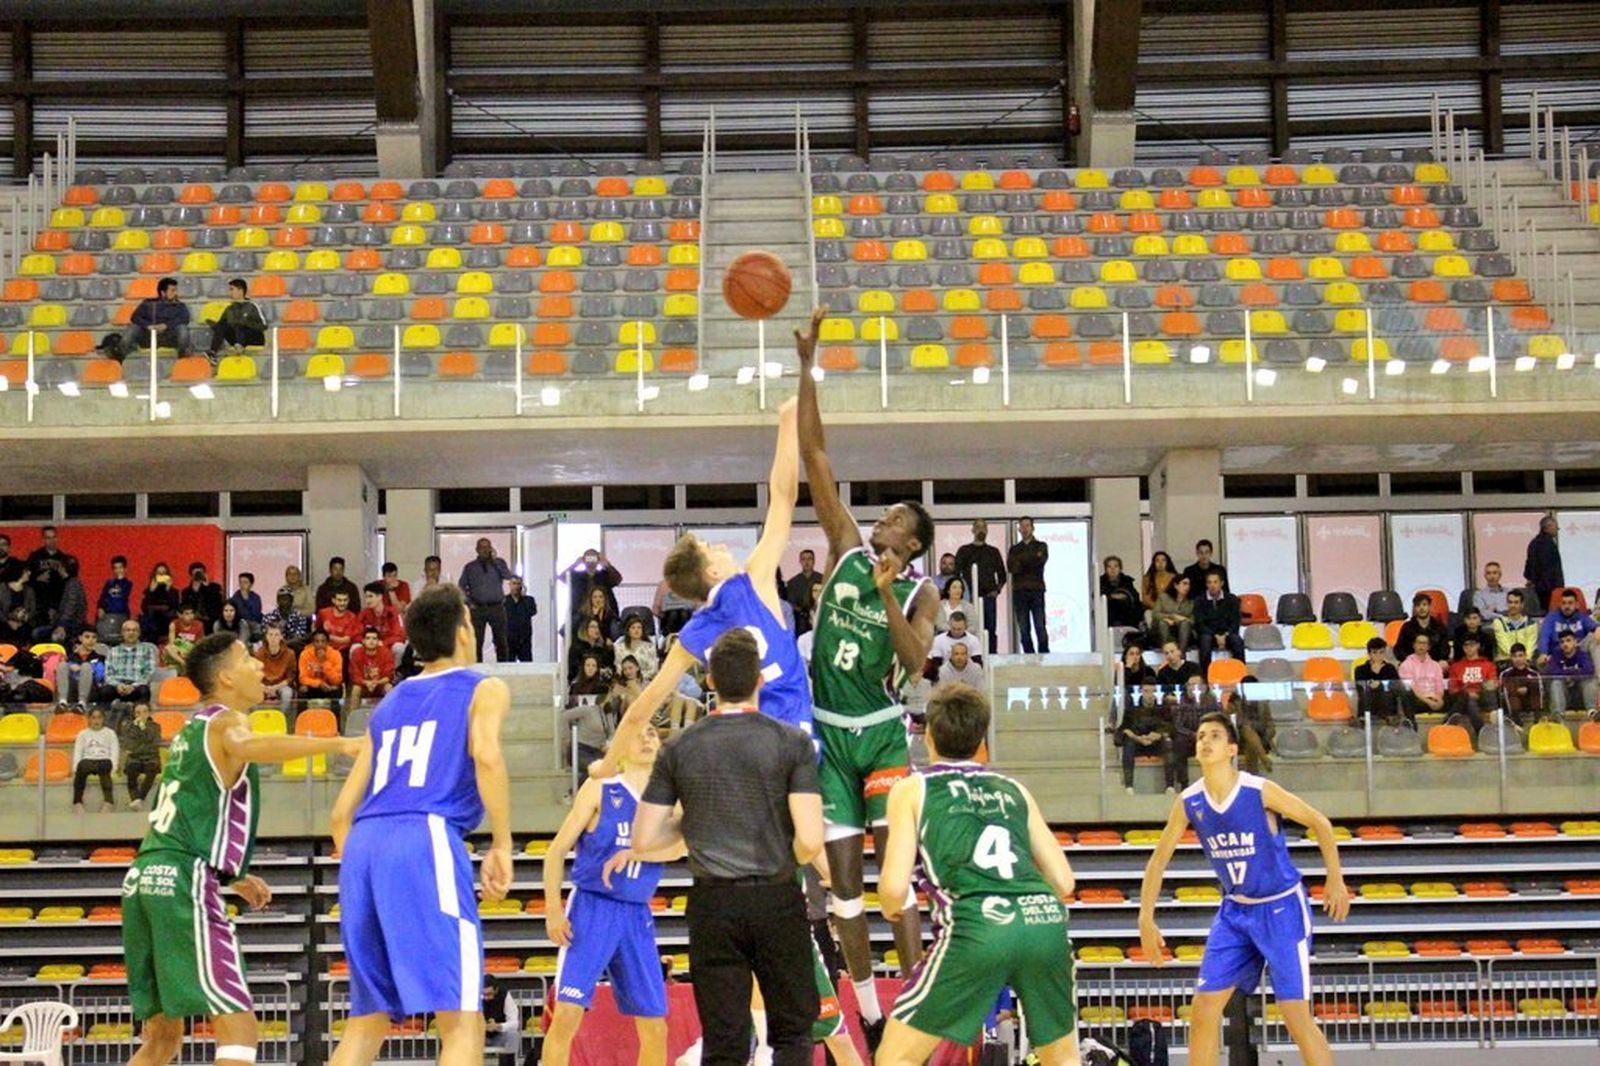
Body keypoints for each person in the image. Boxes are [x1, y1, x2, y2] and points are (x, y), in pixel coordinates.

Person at [123, 631, 358, 1066]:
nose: (258, 664)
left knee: (162, 1039)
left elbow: (186, 810)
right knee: (239, 1031)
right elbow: (247, 748)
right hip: (183, 879)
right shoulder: (226, 721)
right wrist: (339, 742)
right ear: (227, 678)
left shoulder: (191, 729)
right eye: (247, 658)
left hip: (146, 874)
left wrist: (232, 872)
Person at [796, 309, 936, 1001]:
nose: (884, 518)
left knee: (893, 883)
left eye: (898, 520)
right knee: (844, 892)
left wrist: (886, 596)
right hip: (828, 733)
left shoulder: (920, 592)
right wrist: (807, 368)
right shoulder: (847, 548)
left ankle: (915, 1001)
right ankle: (872, 1012)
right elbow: (815, 456)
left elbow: (914, 664)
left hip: (880, 736)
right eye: (886, 514)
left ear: (912, 545)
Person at [326, 585, 514, 1066]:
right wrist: (501, 843)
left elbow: (339, 815)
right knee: (462, 1019)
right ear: (464, 631)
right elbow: (486, 755)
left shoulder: (389, 702)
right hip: (424, 834)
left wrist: (373, 864)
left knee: (367, 1021)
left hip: (364, 843)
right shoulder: (484, 687)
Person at [619, 629, 825, 1066]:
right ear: (760, 679)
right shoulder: (793, 742)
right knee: (792, 1035)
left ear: (709, 680)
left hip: (713, 905)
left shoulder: (678, 747)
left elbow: (644, 840)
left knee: (724, 1044)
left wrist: (690, 821)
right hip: (777, 897)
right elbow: (810, 840)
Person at [875, 682, 1081, 1066]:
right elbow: (1064, 881)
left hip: (976, 926)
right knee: (1063, 1059)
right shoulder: (1013, 789)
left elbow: (893, 887)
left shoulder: (912, 789)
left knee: (895, 1057)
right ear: (981, 739)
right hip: (1043, 920)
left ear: (928, 735)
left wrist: (890, 906)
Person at [1138, 714, 1350, 1066]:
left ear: (1232, 749)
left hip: (1280, 908)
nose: (1205, 741)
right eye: (1201, 736)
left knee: (1295, 1015)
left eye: (1215, 736)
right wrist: (1145, 918)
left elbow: (1320, 823)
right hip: (1235, 911)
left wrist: (1335, 879)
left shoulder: (1257, 790)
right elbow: (1158, 861)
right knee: (1204, 1008)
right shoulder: (1189, 801)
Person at [541, 721, 683, 1066]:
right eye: (638, 733)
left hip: (637, 913)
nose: (647, 738)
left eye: (652, 733)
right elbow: (555, 852)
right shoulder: (600, 788)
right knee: (567, 1016)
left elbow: (681, 848)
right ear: (617, 747)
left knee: (655, 1028)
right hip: (592, 909)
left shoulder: (670, 799)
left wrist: (636, 853)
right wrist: (553, 911)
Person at [953, 519, 1006, 654]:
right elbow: (956, 574)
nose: (981, 530)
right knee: (969, 628)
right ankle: (970, 657)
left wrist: (997, 590)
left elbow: (1002, 575)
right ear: (973, 530)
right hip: (969, 599)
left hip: (988, 598)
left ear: (987, 530)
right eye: (978, 527)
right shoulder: (964, 551)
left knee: (990, 629)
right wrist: (961, 594)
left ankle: (992, 658)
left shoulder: (993, 552)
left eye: (983, 527)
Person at [459, 538, 513, 662]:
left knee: (501, 640)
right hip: (478, 608)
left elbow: (508, 576)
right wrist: (468, 602)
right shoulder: (470, 567)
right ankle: (477, 667)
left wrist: (495, 561)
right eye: (482, 547)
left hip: (497, 607)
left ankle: (503, 668)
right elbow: (461, 586)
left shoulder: (499, 563)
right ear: (477, 549)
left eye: (487, 547)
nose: (485, 550)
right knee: (476, 641)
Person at [118, 276, 193, 360]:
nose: (175, 293)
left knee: (183, 329)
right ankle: (125, 358)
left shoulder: (180, 306)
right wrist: (148, 326)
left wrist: (166, 325)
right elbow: (135, 317)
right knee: (133, 328)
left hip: (168, 337)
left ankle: (182, 359)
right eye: (172, 291)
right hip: (148, 336)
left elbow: (185, 318)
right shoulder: (148, 303)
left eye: (176, 290)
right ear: (163, 293)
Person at [1117, 674, 1168, 794]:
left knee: (1169, 743)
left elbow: (1170, 726)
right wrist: (1137, 737)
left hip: (1157, 743)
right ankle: (1129, 786)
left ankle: (1170, 786)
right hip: (1138, 744)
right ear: (1141, 692)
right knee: (1128, 744)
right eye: (1146, 691)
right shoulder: (1132, 708)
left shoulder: (1163, 707)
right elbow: (1124, 728)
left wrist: (1159, 734)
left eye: (1153, 691)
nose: (1150, 695)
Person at [1006, 517, 1049, 654]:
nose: (1025, 529)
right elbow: (1012, 567)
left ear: (1032, 528)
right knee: (1023, 627)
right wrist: (1032, 558)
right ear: (1019, 529)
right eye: (1022, 526)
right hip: (1020, 591)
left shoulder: (1041, 546)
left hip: (1037, 590)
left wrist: (1022, 561)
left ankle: (1044, 655)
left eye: (1027, 526)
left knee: (1040, 625)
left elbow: (1039, 562)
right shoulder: (1014, 549)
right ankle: (1029, 655)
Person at [96, 619, 160, 708]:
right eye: (128, 630)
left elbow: (149, 673)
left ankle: (140, 716)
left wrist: (133, 686)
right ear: (122, 633)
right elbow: (108, 674)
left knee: (144, 691)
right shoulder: (113, 651)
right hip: (117, 686)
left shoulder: (147, 650)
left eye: (134, 630)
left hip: (137, 686)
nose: (131, 633)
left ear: (139, 633)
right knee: (104, 691)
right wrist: (118, 685)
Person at [205, 277, 267, 364]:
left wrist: (246, 324)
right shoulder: (229, 309)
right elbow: (222, 327)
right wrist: (214, 325)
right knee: (222, 326)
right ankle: (213, 353)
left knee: (240, 325)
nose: (229, 293)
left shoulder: (252, 306)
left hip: (254, 338)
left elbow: (263, 325)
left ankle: (239, 345)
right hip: (236, 337)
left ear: (240, 290)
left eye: (232, 289)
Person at [1447, 634, 1499, 736]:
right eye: (1465, 645)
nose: (1468, 648)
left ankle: (1493, 714)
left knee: (1489, 687)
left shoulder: (1488, 665)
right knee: (1470, 702)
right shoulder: (1455, 666)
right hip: (1465, 698)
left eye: (1472, 645)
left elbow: (1493, 683)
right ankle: (1481, 732)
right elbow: (1453, 689)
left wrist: (1478, 691)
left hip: (1483, 696)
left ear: (1478, 645)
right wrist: (1468, 693)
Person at [71, 707, 120, 814]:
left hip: (103, 761)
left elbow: (114, 751)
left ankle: (108, 801)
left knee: (105, 767)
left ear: (103, 719)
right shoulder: (82, 734)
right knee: (82, 767)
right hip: (88, 761)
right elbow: (78, 751)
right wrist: (76, 768)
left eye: (99, 717)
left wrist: (114, 767)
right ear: (89, 719)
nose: (96, 721)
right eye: (93, 718)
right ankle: (77, 802)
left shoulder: (110, 733)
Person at [1193, 571, 1244, 672]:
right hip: (1208, 634)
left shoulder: (1232, 599)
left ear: (1222, 583)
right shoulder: (1199, 600)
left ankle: (1240, 672)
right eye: (1209, 582)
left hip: (1228, 633)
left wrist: (1225, 634)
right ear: (1206, 584)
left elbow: (1235, 621)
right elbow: (1199, 623)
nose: (1212, 585)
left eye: (1215, 582)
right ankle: (1206, 675)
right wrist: (1215, 636)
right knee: (1205, 640)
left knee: (1237, 641)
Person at [564, 550, 623, 632]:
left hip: (604, 611)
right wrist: (575, 565)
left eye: (593, 558)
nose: (591, 561)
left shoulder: (604, 574)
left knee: (612, 627)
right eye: (588, 558)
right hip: (582, 611)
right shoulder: (577, 576)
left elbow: (617, 579)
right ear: (584, 559)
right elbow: (563, 578)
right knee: (571, 626)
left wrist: (607, 564)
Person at [119, 701, 163, 811]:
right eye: (138, 712)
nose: (141, 715)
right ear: (134, 714)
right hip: (135, 758)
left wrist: (143, 728)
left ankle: (139, 798)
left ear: (149, 713)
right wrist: (142, 745)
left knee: (152, 769)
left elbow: (154, 745)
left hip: (151, 758)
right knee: (131, 769)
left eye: (144, 712)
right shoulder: (128, 727)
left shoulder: (156, 727)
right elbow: (129, 746)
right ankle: (135, 798)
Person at [1535, 588, 1596, 664]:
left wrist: (1597, 629)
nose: (1567, 606)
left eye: (1570, 603)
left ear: (1577, 605)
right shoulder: (1551, 617)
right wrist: (1543, 653)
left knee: (1594, 638)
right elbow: (1544, 637)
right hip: (1557, 653)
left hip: (1578, 652)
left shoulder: (1582, 617)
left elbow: (1595, 627)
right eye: (1564, 603)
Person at [1543, 629, 1595, 715]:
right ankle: (1558, 713)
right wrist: (1575, 672)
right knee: (1556, 682)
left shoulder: (1582, 654)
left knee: (1589, 682)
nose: (1565, 644)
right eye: (1562, 642)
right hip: (1564, 695)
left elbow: (1589, 670)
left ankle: (1592, 711)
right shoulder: (1556, 655)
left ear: (1575, 642)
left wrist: (1567, 673)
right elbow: (1552, 671)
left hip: (1580, 695)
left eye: (1568, 640)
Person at [1397, 633, 1446, 720]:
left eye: (1424, 643)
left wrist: (1439, 699)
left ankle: (1448, 721)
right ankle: (1411, 724)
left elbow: (1439, 686)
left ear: (1428, 647)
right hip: (1418, 700)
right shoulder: (1406, 664)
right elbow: (1412, 688)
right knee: (1405, 691)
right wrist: (1428, 701)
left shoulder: (1436, 665)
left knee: (1461, 695)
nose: (1421, 646)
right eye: (1419, 643)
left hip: (1435, 699)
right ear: (1414, 645)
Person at [1353, 638, 1401, 724]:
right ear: (1369, 654)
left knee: (1387, 694)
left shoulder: (1390, 668)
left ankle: (1389, 718)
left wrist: (1379, 682)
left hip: (1387, 705)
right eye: (1374, 652)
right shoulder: (1360, 669)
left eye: (1381, 652)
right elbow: (1360, 688)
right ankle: (1363, 720)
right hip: (1368, 704)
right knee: (1367, 694)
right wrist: (1374, 673)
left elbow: (1396, 687)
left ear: (1385, 653)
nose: (1378, 656)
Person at [54, 628, 104, 710]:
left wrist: (82, 669)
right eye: (87, 637)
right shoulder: (71, 657)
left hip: (91, 688)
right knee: (62, 665)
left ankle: (82, 704)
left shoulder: (100, 658)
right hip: (72, 689)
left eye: (94, 637)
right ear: (80, 638)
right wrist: (70, 666)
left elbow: (99, 676)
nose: (91, 640)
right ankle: (62, 702)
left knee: (86, 666)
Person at [298, 629, 345, 715]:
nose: (320, 644)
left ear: (328, 643)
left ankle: (335, 721)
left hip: (329, 686)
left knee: (337, 690)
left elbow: (337, 680)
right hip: (313, 686)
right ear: (312, 643)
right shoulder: (305, 654)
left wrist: (324, 662)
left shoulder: (336, 655)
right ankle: (301, 720)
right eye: (317, 641)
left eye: (323, 641)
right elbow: (302, 678)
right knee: (302, 690)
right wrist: (318, 683)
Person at [1524, 515, 1563, 614]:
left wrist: (1532, 580)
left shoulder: (1534, 543)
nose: (1558, 529)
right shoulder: (1548, 544)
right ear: (1548, 527)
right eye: (1555, 527)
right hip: (1549, 590)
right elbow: (1552, 570)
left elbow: (1528, 568)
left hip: (1537, 590)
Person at [358, 581, 407, 661]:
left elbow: (400, 635)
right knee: (355, 647)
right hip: (369, 645)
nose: (367, 600)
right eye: (366, 597)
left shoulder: (393, 612)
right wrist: (366, 641)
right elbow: (356, 633)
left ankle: (396, 668)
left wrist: (384, 643)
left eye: (370, 596)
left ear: (380, 597)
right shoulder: (364, 613)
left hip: (388, 645)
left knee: (399, 648)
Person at [255, 623, 298, 714]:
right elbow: (255, 676)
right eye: (270, 635)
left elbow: (291, 677)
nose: (273, 638)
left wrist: (275, 687)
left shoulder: (290, 653)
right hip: (264, 685)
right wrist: (264, 688)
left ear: (281, 637)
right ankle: (258, 718)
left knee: (287, 693)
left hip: (281, 685)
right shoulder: (259, 653)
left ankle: (281, 717)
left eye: (276, 635)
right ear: (266, 637)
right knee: (252, 693)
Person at [348, 628, 396, 708]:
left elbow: (388, 676)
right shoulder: (356, 653)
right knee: (356, 689)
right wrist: (367, 683)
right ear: (363, 641)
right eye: (368, 638)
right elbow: (355, 676)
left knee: (389, 687)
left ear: (378, 641)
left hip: (380, 684)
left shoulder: (386, 653)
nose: (371, 641)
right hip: (363, 685)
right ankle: (353, 713)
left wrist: (376, 683)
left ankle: (391, 714)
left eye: (374, 638)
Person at [1395, 594, 1449, 662]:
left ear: (1429, 606)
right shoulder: (1407, 627)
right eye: (1418, 605)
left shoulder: (1439, 626)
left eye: (1424, 604)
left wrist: (1442, 659)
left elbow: (1445, 647)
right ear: (1415, 608)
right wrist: (1408, 661)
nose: (1421, 608)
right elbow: (1398, 649)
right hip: (1413, 664)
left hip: (1435, 663)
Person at [1499, 643, 1542, 727]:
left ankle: (1537, 719)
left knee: (1534, 685)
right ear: (1511, 658)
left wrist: (1528, 689)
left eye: (1520, 655)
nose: (1518, 659)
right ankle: (1517, 722)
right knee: (1510, 692)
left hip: (1530, 701)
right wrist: (1516, 690)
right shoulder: (1505, 674)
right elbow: (1503, 691)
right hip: (1514, 703)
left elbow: (1540, 690)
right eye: (1515, 656)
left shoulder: (1534, 673)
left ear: (1525, 656)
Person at [1492, 590, 1539, 665]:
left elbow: (1531, 645)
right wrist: (1516, 658)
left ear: (1522, 604)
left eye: (1516, 602)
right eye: (1510, 602)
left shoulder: (1531, 623)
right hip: (1506, 661)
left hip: (1526, 662)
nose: (1513, 605)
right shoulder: (1499, 622)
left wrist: (1524, 659)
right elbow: (1503, 644)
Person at [785, 549, 825, 636]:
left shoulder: (823, 579)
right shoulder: (793, 582)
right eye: (803, 559)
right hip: (800, 621)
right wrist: (802, 611)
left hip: (819, 619)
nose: (806, 562)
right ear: (800, 561)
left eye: (809, 559)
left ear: (814, 561)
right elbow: (790, 603)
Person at [483, 976, 522, 1066]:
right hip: (477, 1036)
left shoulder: (505, 995)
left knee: (513, 1035)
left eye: (489, 994)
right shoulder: (472, 996)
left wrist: (498, 1026)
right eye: (483, 994)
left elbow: (515, 1023)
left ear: (496, 990)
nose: (486, 998)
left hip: (499, 1035)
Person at [1150, 574, 1195, 652]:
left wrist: (1181, 620)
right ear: (1175, 586)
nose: (1187, 587)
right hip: (1160, 632)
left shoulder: (1190, 602)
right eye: (1184, 583)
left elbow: (1192, 621)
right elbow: (1155, 614)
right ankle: (1168, 652)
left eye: (1189, 584)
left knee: (1185, 624)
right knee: (1163, 623)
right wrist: (1171, 617)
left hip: (1180, 633)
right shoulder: (1163, 597)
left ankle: (1181, 654)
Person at [139, 562, 180, 643]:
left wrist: (168, 590)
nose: (161, 575)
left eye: (164, 573)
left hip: (167, 619)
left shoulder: (173, 591)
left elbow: (175, 606)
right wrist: (151, 591)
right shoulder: (149, 591)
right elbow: (144, 608)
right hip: (152, 620)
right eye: (159, 573)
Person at [317, 590, 364, 662]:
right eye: (339, 600)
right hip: (323, 647)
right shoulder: (323, 613)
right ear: (333, 600)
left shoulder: (352, 617)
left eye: (345, 600)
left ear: (348, 600)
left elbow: (345, 640)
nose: (342, 603)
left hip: (342, 650)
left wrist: (326, 635)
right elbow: (316, 628)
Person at [97, 555, 135, 641]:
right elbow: (103, 597)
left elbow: (125, 594)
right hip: (108, 615)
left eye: (120, 567)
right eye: (115, 568)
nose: (118, 570)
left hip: (122, 615)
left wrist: (121, 580)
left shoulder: (128, 583)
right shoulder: (109, 583)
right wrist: (100, 607)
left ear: (125, 569)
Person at [1100, 555, 1142, 631]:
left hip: (1126, 614)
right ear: (1105, 569)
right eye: (1109, 567)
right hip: (1108, 615)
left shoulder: (1127, 581)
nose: (1113, 569)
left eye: (1115, 566)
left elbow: (1135, 596)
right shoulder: (1100, 582)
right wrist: (1111, 596)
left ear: (1120, 568)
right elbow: (1099, 596)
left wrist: (1125, 596)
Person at [567, 618, 615, 686]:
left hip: (601, 683)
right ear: (585, 629)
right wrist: (596, 671)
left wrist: (611, 649)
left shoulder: (601, 647)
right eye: (593, 627)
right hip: (581, 682)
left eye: (598, 627)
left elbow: (610, 665)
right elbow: (574, 668)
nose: (597, 630)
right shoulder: (577, 647)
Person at [263, 586, 313, 650]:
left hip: (293, 647)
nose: (284, 602)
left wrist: (284, 644)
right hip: (273, 647)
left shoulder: (299, 616)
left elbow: (298, 638)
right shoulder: (269, 617)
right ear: (277, 601)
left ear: (292, 601)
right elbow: (266, 637)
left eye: (287, 599)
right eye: (282, 599)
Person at [613, 615, 658, 682]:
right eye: (633, 628)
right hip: (625, 682)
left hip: (645, 681)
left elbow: (653, 669)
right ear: (628, 631)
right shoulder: (619, 648)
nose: (636, 630)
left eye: (639, 627)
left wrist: (638, 677)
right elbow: (619, 668)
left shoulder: (650, 647)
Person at [180, 562, 224, 627]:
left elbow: (217, 604)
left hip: (211, 620)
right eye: (195, 574)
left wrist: (207, 587)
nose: (198, 576)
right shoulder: (186, 592)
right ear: (191, 576)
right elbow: (186, 608)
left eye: (200, 573)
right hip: (194, 621)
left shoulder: (215, 587)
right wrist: (194, 591)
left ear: (205, 574)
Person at [505, 576, 538, 663]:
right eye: (514, 583)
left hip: (524, 639)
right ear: (510, 585)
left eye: (518, 584)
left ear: (522, 586)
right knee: (507, 666)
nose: (516, 586)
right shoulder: (503, 601)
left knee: (527, 665)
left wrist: (523, 598)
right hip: (509, 639)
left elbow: (532, 611)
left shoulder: (529, 600)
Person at [164, 605, 205, 672]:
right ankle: (183, 663)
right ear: (180, 615)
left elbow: (200, 643)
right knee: (168, 648)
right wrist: (180, 652)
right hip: (178, 649)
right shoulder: (173, 624)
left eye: (192, 613)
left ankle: (178, 666)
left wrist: (189, 652)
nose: (190, 616)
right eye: (187, 614)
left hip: (192, 649)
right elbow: (172, 643)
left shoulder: (199, 624)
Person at [1141, 551, 1178, 616]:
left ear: (1167, 562)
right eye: (1157, 560)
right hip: (1153, 609)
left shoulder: (1175, 577)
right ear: (1154, 563)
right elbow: (1145, 599)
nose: (1160, 563)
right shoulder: (1147, 578)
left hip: (1172, 609)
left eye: (1163, 560)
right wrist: (1157, 608)